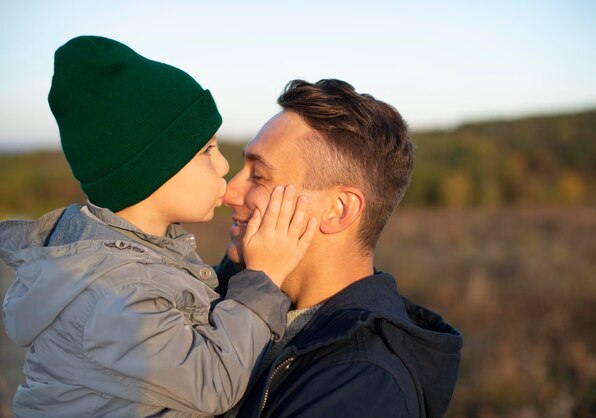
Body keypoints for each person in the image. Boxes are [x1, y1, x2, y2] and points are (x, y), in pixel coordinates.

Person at [0, 36, 316, 417]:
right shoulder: (113, 293)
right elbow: (214, 382)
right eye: (206, 151)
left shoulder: (137, 258)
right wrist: (264, 275)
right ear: (153, 174)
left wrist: (244, 265)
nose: (222, 167)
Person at [219, 79, 463, 418]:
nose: (227, 193)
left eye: (258, 176)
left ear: (339, 210)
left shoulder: (363, 385)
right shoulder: (224, 294)